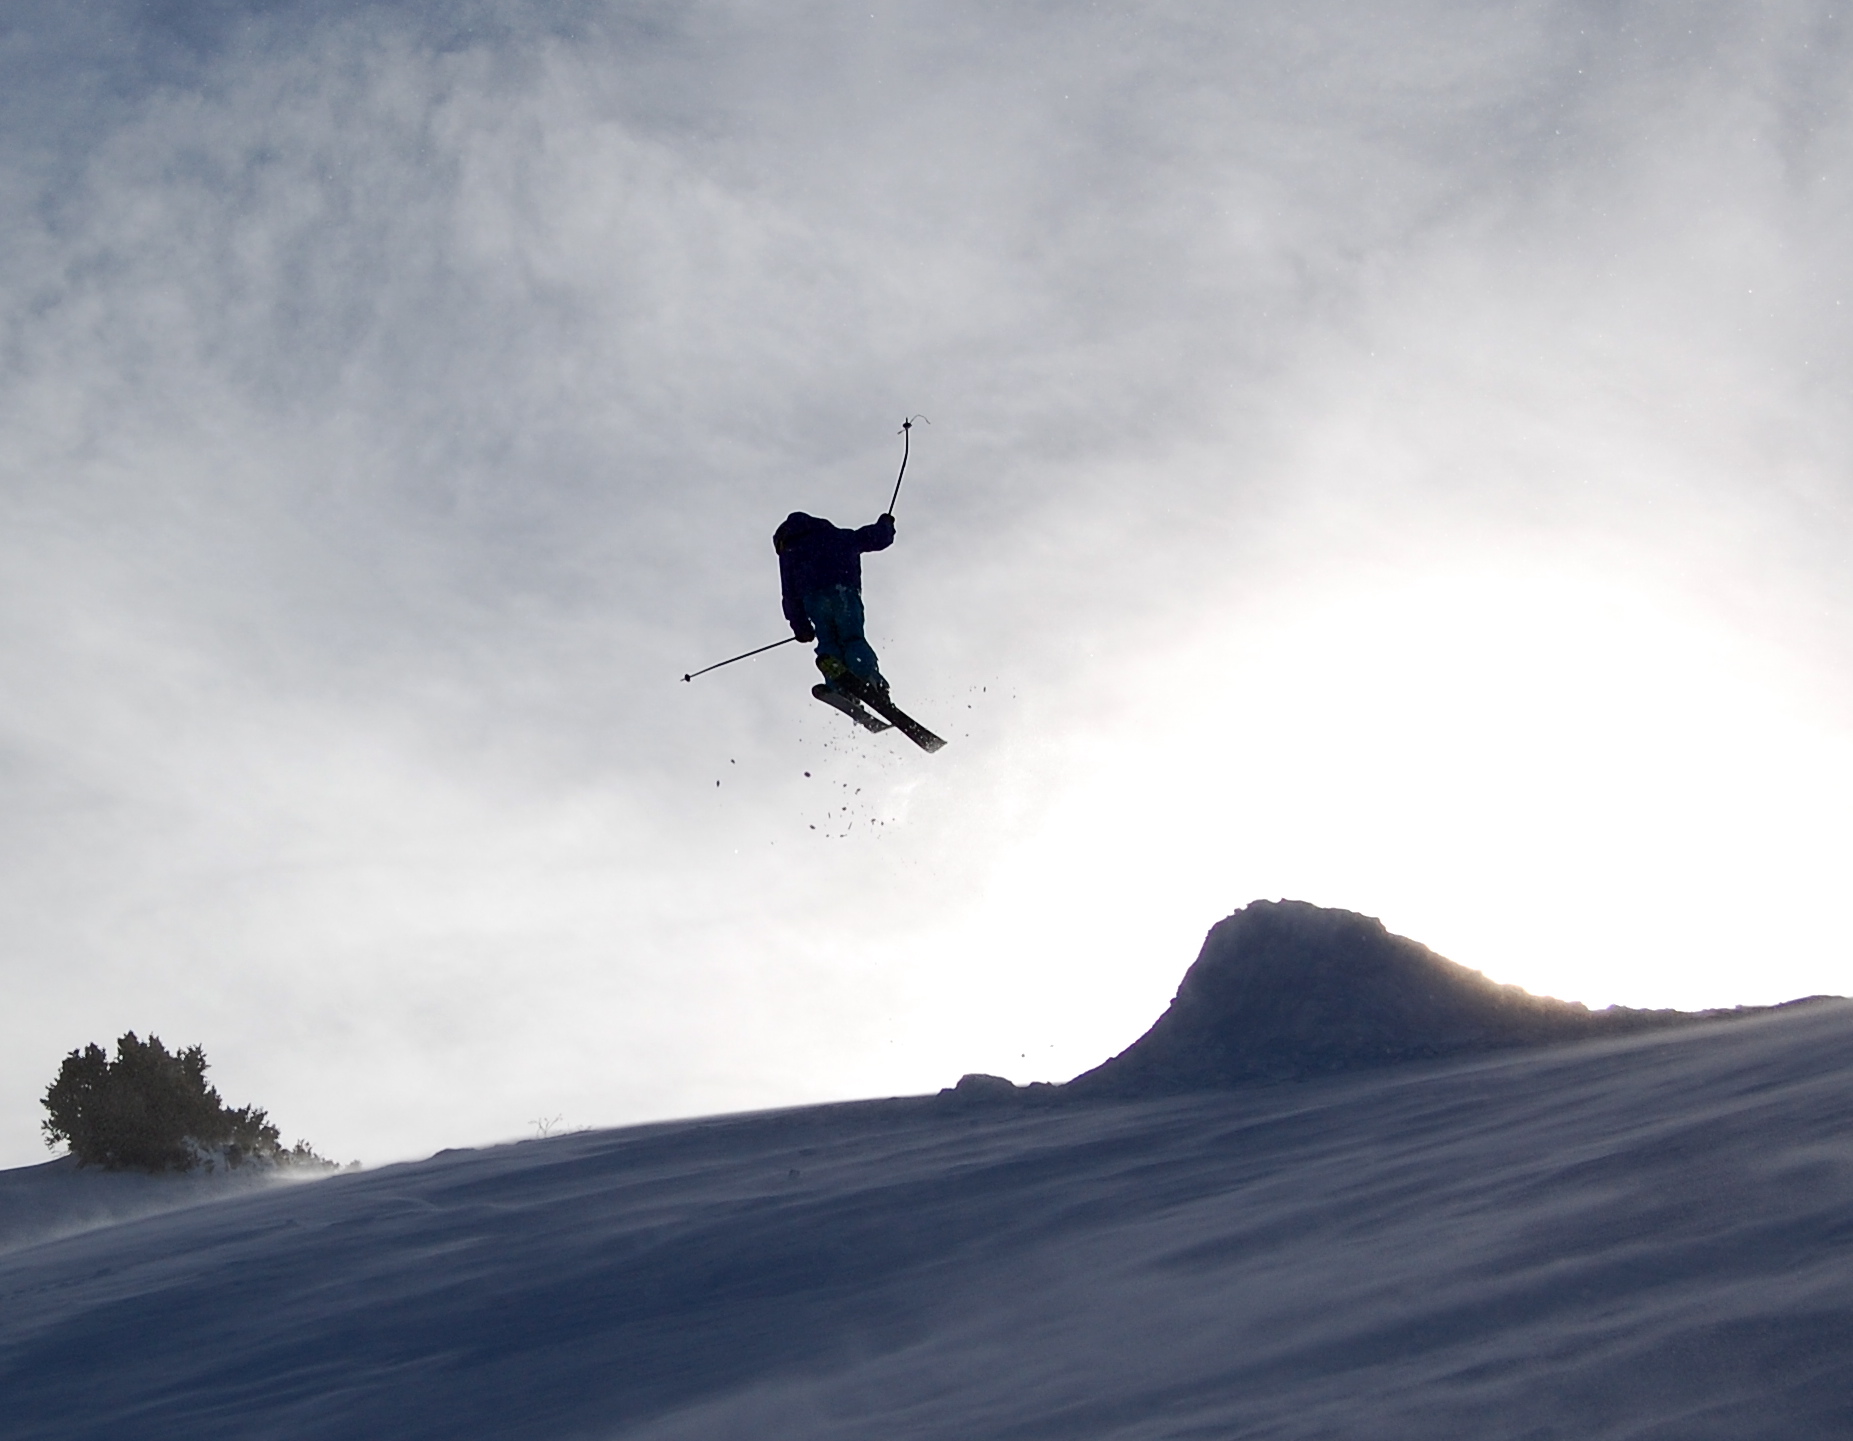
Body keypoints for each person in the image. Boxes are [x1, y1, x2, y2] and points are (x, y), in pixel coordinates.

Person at [773, 510, 895, 705]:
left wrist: (801, 627)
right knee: (852, 638)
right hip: (844, 593)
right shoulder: (838, 536)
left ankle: (839, 687)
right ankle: (870, 679)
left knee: (829, 642)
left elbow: (790, 595)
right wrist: (886, 524)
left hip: (814, 600)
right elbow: (876, 537)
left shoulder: (789, 553)